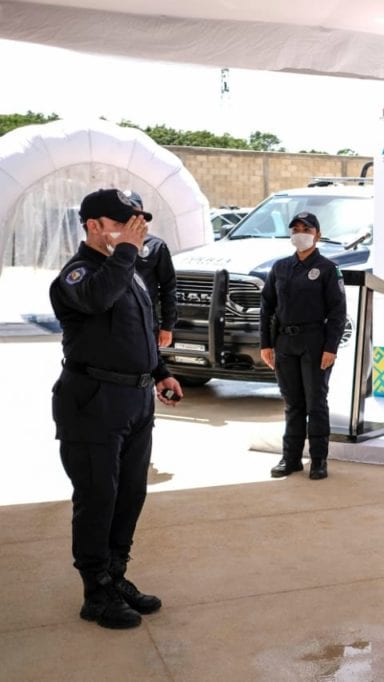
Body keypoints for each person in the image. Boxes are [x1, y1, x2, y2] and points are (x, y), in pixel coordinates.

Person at [50, 188, 184, 629]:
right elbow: (96, 300)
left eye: (138, 224)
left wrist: (160, 370)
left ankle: (116, 574)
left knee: (130, 493)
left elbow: (140, 327)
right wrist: (126, 250)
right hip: (93, 401)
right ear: (94, 226)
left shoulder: (128, 269)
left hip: (135, 399)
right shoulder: (77, 275)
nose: (135, 232)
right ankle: (95, 591)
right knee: (98, 497)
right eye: (124, 224)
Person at [260, 212, 347, 480]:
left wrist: (330, 347)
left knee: (315, 402)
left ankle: (319, 460)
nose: (300, 233)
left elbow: (337, 312)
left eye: (306, 229)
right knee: (292, 403)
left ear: (317, 235)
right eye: (295, 229)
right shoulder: (280, 267)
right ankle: (291, 458)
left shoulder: (328, 269)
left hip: (314, 341)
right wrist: (266, 344)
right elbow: (267, 307)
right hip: (285, 342)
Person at [125, 191, 177, 348]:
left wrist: (167, 326)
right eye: (125, 211)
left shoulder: (156, 246)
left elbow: (168, 287)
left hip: (146, 320)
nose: (131, 217)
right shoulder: (108, 244)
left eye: (135, 212)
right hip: (116, 320)